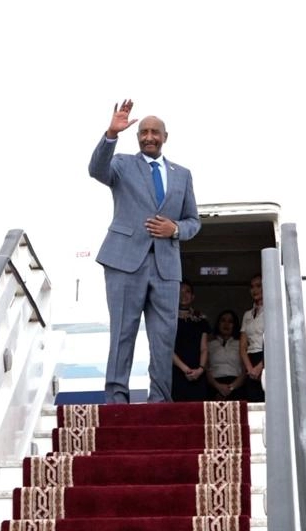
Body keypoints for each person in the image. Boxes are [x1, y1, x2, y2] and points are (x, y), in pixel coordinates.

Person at [88, 99, 201, 403]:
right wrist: (112, 133)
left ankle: (160, 400)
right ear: (138, 137)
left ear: (165, 137)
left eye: (154, 132)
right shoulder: (122, 164)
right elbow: (96, 170)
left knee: (164, 337)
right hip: (124, 261)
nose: (149, 137)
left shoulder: (182, 174)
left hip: (166, 267)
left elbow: (193, 221)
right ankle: (116, 398)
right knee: (122, 332)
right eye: (143, 132)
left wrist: (174, 229)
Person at [171, 280, 210, 402]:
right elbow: (168, 349)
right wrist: (185, 369)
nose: (183, 295)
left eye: (187, 291)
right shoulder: (169, 319)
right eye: (180, 291)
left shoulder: (201, 319)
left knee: (199, 409)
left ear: (193, 296)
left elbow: (204, 348)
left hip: (198, 373)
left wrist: (200, 369)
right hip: (177, 371)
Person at [206, 309, 246, 401]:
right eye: (223, 320)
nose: (226, 324)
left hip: (236, 385)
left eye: (230, 321)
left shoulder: (240, 344)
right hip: (214, 385)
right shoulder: (209, 345)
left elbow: (245, 371)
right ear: (218, 324)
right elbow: (206, 370)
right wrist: (218, 387)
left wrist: (231, 388)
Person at [239, 274, 265, 402]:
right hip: (250, 360)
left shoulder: (271, 312)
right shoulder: (247, 315)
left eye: (258, 286)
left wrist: (260, 367)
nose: (254, 290)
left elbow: (274, 343)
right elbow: (242, 346)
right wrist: (250, 369)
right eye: (252, 287)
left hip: (265, 357)